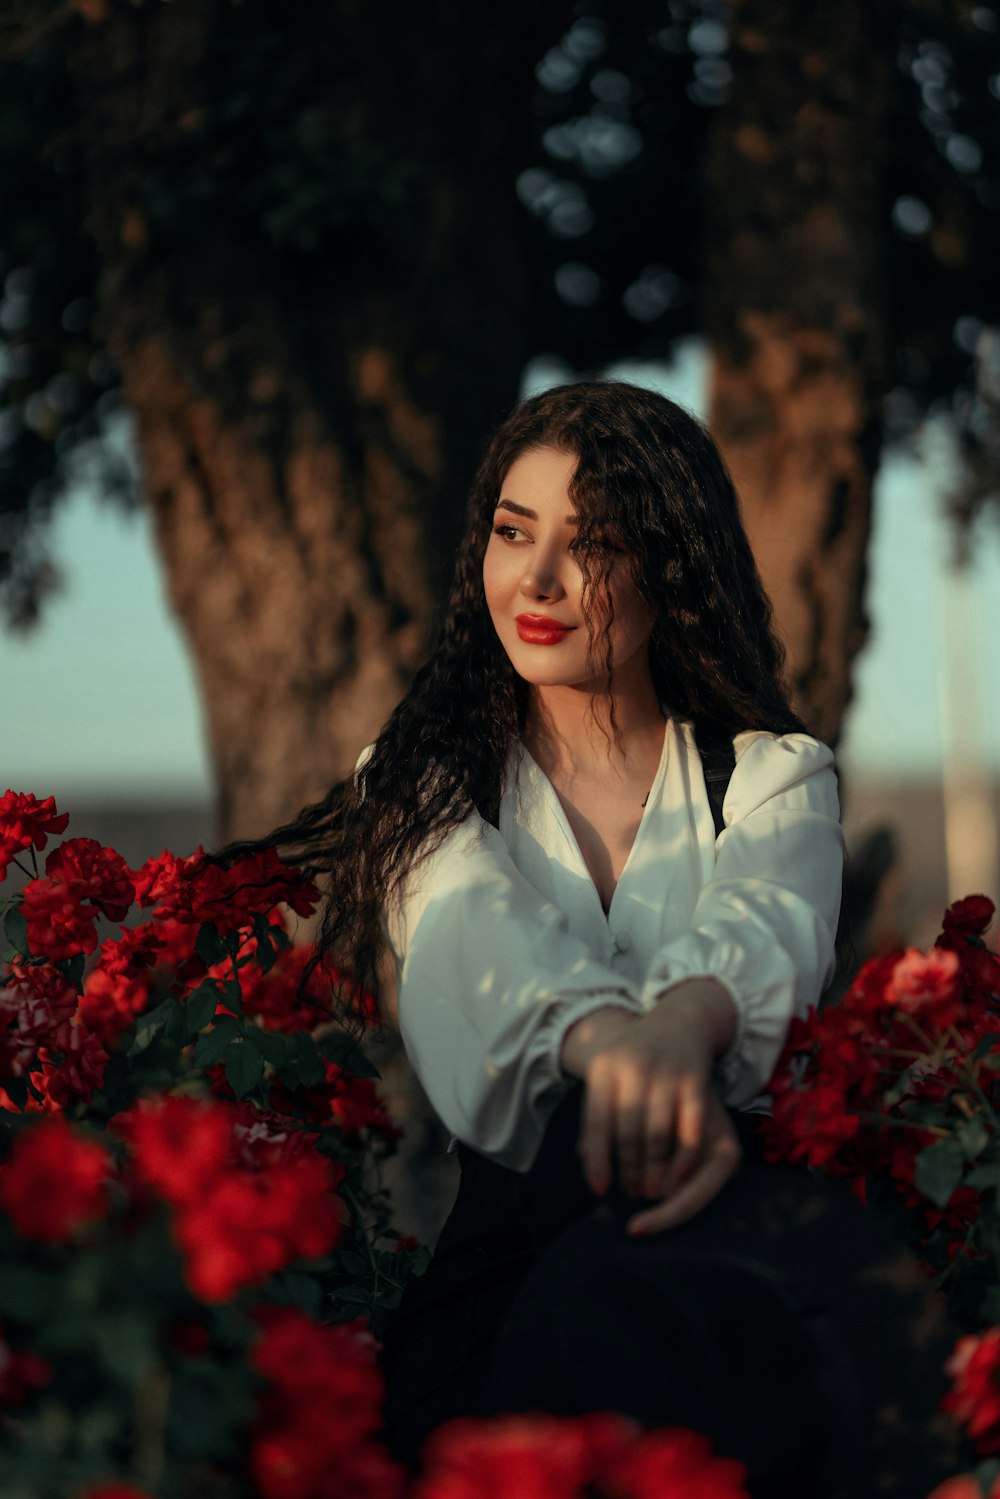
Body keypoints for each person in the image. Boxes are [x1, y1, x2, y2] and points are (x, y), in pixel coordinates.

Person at [247, 382, 957, 1498]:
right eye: (512, 531)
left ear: (670, 568)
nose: (533, 581)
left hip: (729, 1257)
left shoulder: (769, 778)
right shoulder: (426, 784)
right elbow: (473, 934)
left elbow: (764, 922)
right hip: (512, 1264)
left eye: (590, 545)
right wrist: (607, 1042)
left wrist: (683, 1022)